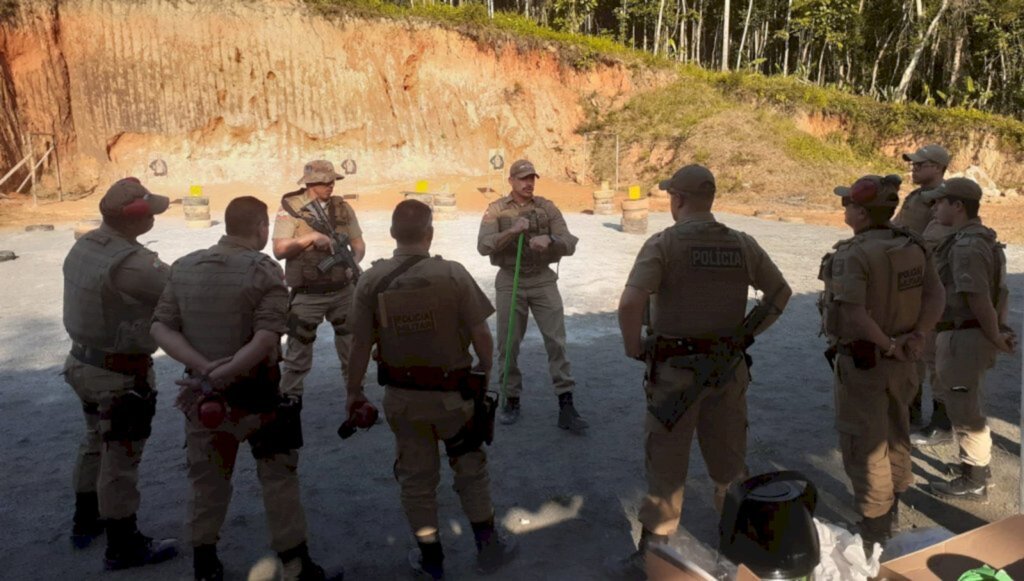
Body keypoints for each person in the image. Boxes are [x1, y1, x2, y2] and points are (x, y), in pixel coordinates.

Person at [615, 165, 791, 572]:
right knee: (729, 465)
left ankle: (653, 554)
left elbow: (629, 303)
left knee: (666, 466)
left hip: (674, 378)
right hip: (727, 371)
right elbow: (780, 293)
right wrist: (746, 334)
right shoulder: (741, 244)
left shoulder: (665, 244)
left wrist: (632, 347)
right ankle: (736, 552)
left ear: (677, 199)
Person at [151, 197, 336, 581]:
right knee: (278, 481)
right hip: (257, 395)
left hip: (202, 396)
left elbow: (160, 328)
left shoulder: (184, 267)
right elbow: (267, 339)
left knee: (207, 484)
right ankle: (295, 567)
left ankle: (205, 566)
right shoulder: (263, 270)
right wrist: (226, 371)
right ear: (261, 227)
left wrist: (204, 370)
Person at [347, 200, 518, 580]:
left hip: (404, 400)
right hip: (454, 397)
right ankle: (488, 548)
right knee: (471, 469)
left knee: (416, 478)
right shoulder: (452, 274)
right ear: (430, 233)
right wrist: (486, 370)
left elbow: (359, 346)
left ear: (392, 234)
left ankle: (431, 559)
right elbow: (481, 334)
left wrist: (353, 391)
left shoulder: (371, 281)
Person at [818, 175, 944, 549]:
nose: (844, 209)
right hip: (905, 359)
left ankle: (875, 527)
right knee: (897, 431)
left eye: (848, 204)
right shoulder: (913, 244)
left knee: (865, 443)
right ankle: (893, 506)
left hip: (868, 361)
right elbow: (936, 295)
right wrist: (917, 335)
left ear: (859, 211)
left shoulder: (853, 254)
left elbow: (854, 315)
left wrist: (888, 345)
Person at [61, 177, 178, 569]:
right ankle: (123, 544)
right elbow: (178, 289)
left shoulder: (87, 245)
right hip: (118, 375)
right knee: (120, 460)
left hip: (83, 363)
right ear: (136, 219)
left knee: (94, 442)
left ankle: (85, 520)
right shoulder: (132, 263)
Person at [476, 159, 587, 433]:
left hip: (542, 279)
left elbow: (570, 241)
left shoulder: (546, 208)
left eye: (532, 178)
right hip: (510, 280)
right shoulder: (495, 210)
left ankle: (566, 403)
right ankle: (511, 399)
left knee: (557, 341)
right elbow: (483, 246)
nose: (529, 183)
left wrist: (551, 241)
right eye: (523, 178)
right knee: (508, 343)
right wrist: (511, 232)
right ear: (511, 180)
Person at [921, 178, 1013, 501]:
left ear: (958, 206)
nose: (935, 209)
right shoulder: (979, 239)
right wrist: (998, 330)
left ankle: (973, 478)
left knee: (964, 409)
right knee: (965, 402)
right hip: (967, 333)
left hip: (964, 334)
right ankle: (977, 469)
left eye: (940, 203)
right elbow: (1000, 293)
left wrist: (995, 334)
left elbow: (977, 297)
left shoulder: (966, 245)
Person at [273, 159, 366, 399]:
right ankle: (290, 403)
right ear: (310, 183)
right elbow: (280, 249)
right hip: (308, 294)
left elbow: (358, 243)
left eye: (332, 181)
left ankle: (357, 400)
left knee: (351, 350)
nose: (330, 186)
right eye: (325, 182)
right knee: (297, 355)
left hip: (342, 291)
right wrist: (310, 238)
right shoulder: (291, 208)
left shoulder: (342, 208)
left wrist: (353, 262)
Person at [893, 144, 954, 438]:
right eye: (914, 164)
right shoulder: (918, 196)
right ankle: (911, 408)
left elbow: (932, 241)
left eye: (921, 164)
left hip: (929, 285)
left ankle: (942, 422)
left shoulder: (943, 199)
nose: (913, 168)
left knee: (933, 356)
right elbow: (898, 227)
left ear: (939, 168)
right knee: (915, 352)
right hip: (911, 284)